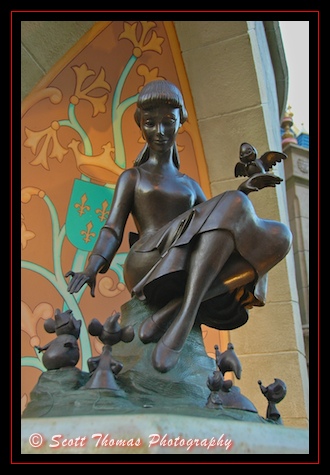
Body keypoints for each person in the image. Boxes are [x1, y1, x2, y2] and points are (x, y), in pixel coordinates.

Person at [66, 80, 292, 373]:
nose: (159, 132)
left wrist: (244, 192)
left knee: (279, 236)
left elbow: (217, 231)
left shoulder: (190, 185)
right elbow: (112, 228)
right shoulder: (133, 177)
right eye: (150, 123)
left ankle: (179, 310)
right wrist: (92, 267)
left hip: (185, 260)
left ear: (179, 123)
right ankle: (184, 316)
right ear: (141, 126)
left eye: (167, 122)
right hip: (148, 260)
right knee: (234, 203)